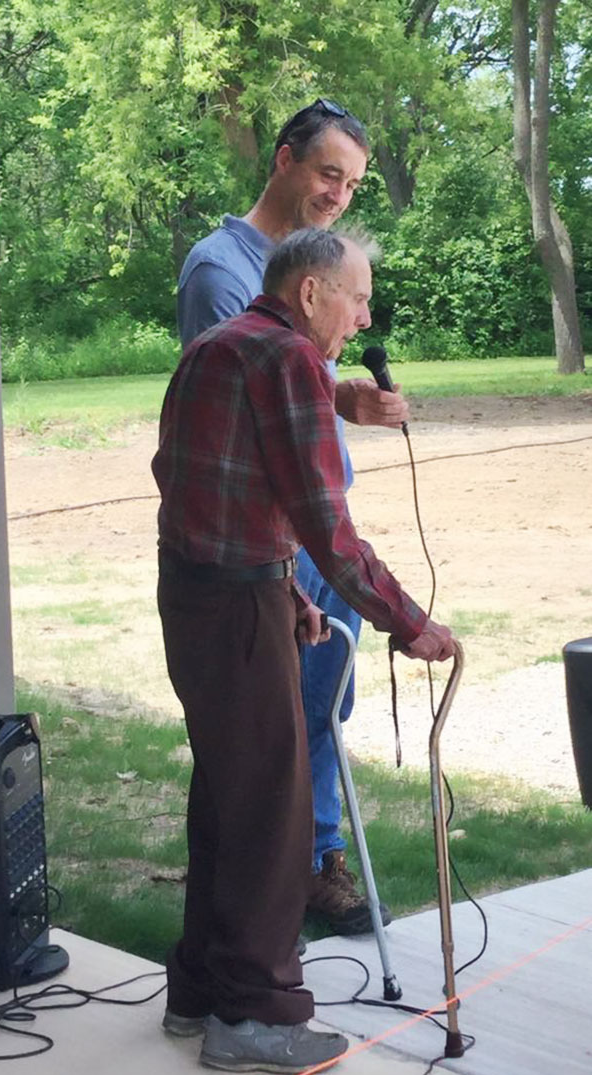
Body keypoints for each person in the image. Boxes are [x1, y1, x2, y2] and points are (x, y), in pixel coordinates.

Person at [153, 228, 456, 1075]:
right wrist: (407, 619)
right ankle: (252, 1016)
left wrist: (280, 586)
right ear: (313, 292)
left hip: (202, 594)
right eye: (356, 299)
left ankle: (200, 992)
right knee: (273, 817)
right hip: (233, 607)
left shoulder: (217, 346)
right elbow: (330, 526)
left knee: (227, 798)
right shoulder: (288, 361)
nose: (363, 318)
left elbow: (185, 478)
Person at [177, 99, 408, 935]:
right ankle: (288, 883)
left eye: (351, 181)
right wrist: (407, 619)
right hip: (272, 540)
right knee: (272, 728)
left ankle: (309, 860)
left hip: (311, 529)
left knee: (319, 705)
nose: (339, 192)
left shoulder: (320, 264)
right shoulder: (223, 268)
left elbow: (291, 386)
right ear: (283, 161)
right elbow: (233, 411)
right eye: (326, 173)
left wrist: (347, 398)